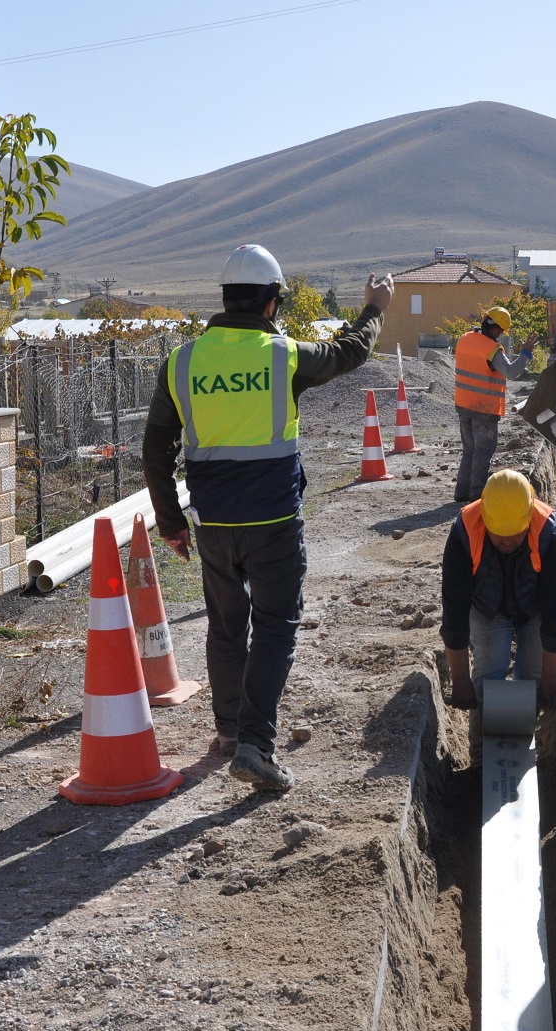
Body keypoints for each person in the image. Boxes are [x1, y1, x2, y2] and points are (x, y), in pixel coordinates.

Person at [142, 243, 394, 793]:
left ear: (226, 299)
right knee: (276, 628)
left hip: (212, 526)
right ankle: (256, 744)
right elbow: (350, 353)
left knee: (227, 626)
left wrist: (170, 521)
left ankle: (231, 730)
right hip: (274, 523)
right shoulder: (282, 356)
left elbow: (155, 445)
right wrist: (375, 307)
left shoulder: (182, 362)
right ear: (272, 303)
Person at [440, 469, 556, 750]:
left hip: (536, 606)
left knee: (533, 678)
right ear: (486, 521)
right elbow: (454, 610)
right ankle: (481, 754)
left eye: (514, 536)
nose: (506, 542)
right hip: (486, 605)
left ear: (528, 519)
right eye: (499, 537)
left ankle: (521, 745)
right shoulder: (465, 530)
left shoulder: (549, 532)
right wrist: (459, 679)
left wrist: (551, 681)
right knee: (488, 674)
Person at [453, 307, 535, 502]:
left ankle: (462, 492)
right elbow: (511, 372)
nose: (500, 336)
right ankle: (475, 497)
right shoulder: (491, 350)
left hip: (464, 405)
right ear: (497, 329)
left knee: (469, 452)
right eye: (500, 331)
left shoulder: (465, 338)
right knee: (482, 453)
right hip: (484, 411)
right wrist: (526, 353)